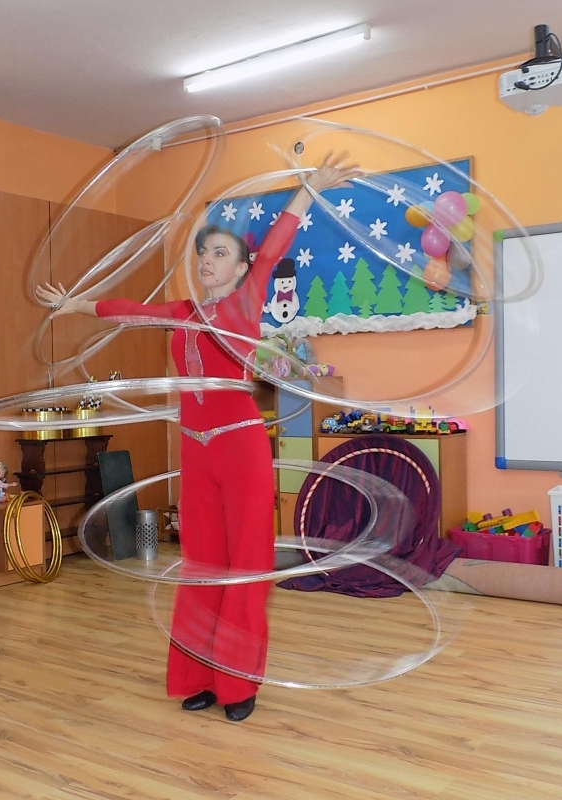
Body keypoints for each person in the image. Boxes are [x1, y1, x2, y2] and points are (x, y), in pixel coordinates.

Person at [36, 153, 361, 721]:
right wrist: (75, 304)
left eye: (220, 254)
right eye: (203, 253)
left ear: (240, 268)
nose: (208, 261)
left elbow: (277, 243)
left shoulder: (246, 298)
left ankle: (239, 684)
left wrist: (309, 187)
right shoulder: (182, 311)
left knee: (244, 566)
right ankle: (202, 676)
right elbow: (129, 311)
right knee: (202, 566)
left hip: (240, 446)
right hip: (196, 448)